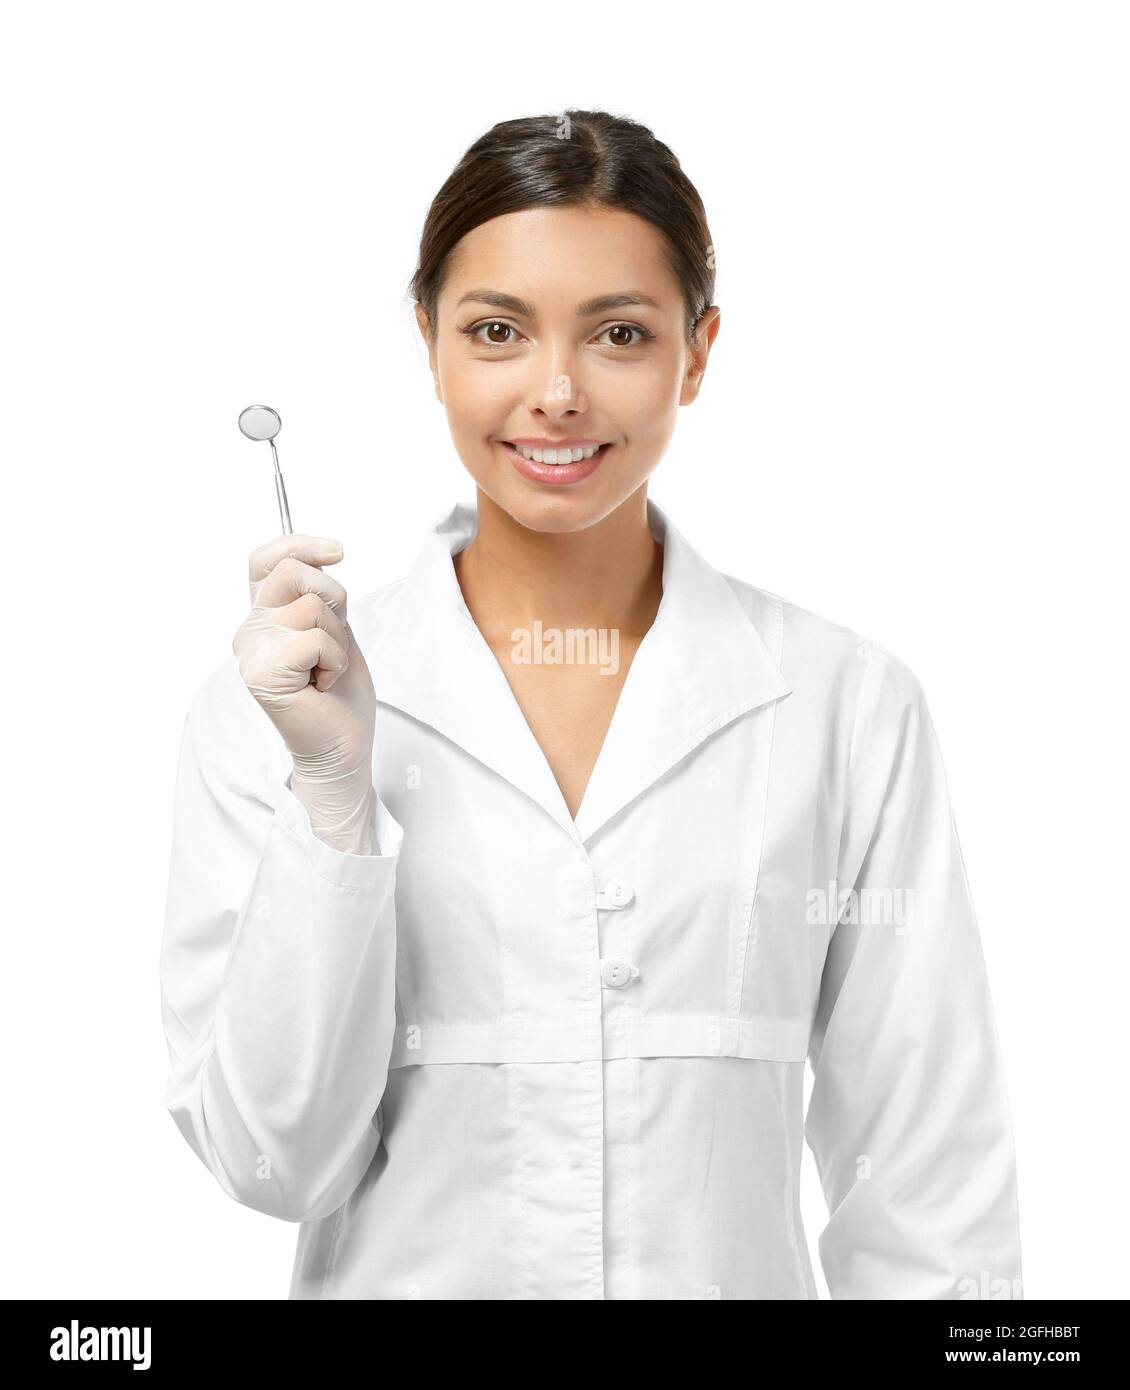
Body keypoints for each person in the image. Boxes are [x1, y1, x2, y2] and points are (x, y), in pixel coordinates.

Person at [160, 109, 1023, 1300]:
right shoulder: (271, 706)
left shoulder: (842, 704)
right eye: (496, 331)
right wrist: (331, 798)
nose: (554, 392)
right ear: (428, 341)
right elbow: (273, 1160)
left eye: (618, 332)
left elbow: (931, 1187)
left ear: (698, 351)